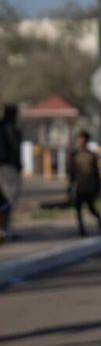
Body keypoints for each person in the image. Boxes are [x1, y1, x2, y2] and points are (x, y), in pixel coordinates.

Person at [68, 131, 101, 236]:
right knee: (78, 209)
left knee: (91, 208)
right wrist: (70, 186)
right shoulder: (74, 155)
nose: (81, 141)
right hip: (79, 186)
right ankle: (81, 229)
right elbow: (71, 172)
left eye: (82, 139)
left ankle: (99, 220)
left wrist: (98, 186)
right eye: (79, 139)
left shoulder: (91, 155)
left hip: (89, 186)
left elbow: (97, 172)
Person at [0, 104, 22, 245]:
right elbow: (14, 147)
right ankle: (5, 229)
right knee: (8, 199)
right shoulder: (10, 128)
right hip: (8, 166)